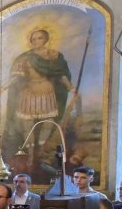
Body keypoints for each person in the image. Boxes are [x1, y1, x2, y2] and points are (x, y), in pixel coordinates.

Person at [7, 27, 77, 157]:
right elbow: (17, 77)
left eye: (39, 38)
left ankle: (41, 150)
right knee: (27, 126)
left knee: (48, 123)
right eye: (33, 39)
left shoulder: (54, 56)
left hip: (46, 92)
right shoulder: (25, 58)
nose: (36, 41)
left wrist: (70, 87)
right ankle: (30, 154)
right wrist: (5, 85)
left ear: (46, 39)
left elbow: (60, 74)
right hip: (29, 93)